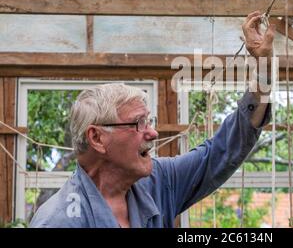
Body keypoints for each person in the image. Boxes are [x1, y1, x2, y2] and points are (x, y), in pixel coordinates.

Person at [30, 12, 275, 228]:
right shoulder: (57, 221)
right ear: (97, 138)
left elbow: (222, 151)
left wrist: (263, 69)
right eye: (138, 123)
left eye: (149, 121)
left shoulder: (158, 181)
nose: (153, 133)